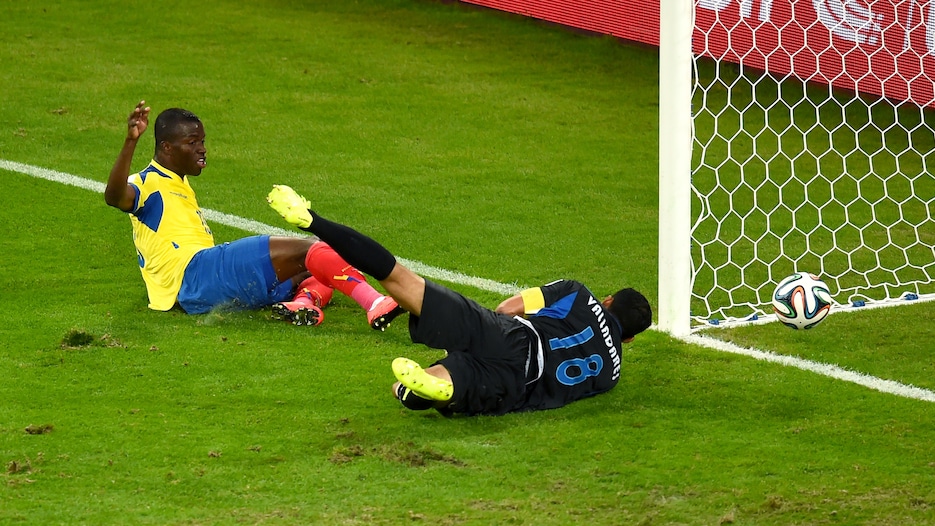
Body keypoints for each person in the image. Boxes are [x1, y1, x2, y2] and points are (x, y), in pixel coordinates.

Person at [266, 184, 653, 416]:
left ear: (608, 299)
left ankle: (312, 221)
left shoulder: (580, 295)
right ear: (630, 339)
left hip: (513, 338)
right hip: (519, 389)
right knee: (458, 380)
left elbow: (508, 308)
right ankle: (434, 387)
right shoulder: (611, 375)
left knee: (400, 278)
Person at [104, 101, 404, 330]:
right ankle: (375, 303)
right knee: (310, 248)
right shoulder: (147, 182)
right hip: (195, 274)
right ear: (167, 148)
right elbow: (115, 197)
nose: (203, 150)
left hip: (205, 288)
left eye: (203, 141)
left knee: (318, 267)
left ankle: (303, 304)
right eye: (193, 143)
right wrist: (131, 141)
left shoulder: (178, 182)